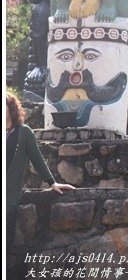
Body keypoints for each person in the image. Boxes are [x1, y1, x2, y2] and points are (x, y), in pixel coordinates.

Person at [6, 92, 76, 248]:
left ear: (11, 109)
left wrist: (52, 183)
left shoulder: (24, 133)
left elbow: (37, 159)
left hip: (8, 198)